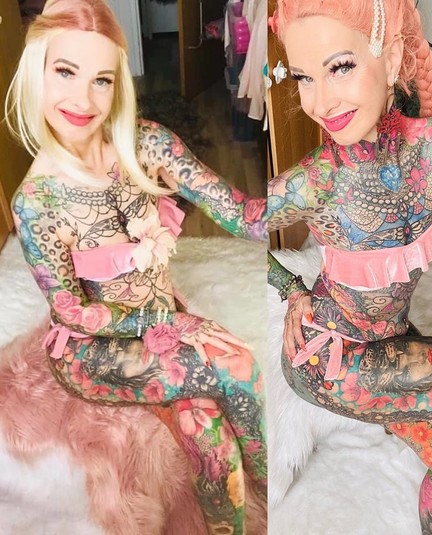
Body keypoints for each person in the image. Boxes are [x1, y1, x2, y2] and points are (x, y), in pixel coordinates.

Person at [267, 0, 432, 533]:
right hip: (328, 358)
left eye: (339, 67)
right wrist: (290, 286)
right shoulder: (313, 179)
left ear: (390, 60)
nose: (320, 102)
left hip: (392, 341)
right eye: (303, 77)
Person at [6, 1, 266, 533]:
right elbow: (74, 313)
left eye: (101, 80)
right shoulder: (35, 201)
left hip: (158, 313)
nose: (83, 99)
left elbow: (238, 211)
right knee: (238, 365)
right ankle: (270, 483)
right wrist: (171, 324)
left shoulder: (145, 142)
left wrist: (315, 202)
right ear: (37, 72)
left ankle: (252, 505)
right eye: (65, 72)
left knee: (211, 436)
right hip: (94, 348)